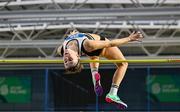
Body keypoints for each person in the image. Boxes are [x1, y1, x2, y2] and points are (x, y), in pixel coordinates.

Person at [57, 29, 143, 109]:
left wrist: (73, 34)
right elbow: (110, 44)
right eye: (70, 60)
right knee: (123, 64)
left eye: (65, 61)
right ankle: (113, 93)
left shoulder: (60, 49)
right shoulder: (88, 45)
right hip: (102, 48)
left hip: (90, 50)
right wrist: (129, 38)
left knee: (93, 56)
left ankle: (95, 77)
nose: (66, 58)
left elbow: (75, 38)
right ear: (78, 56)